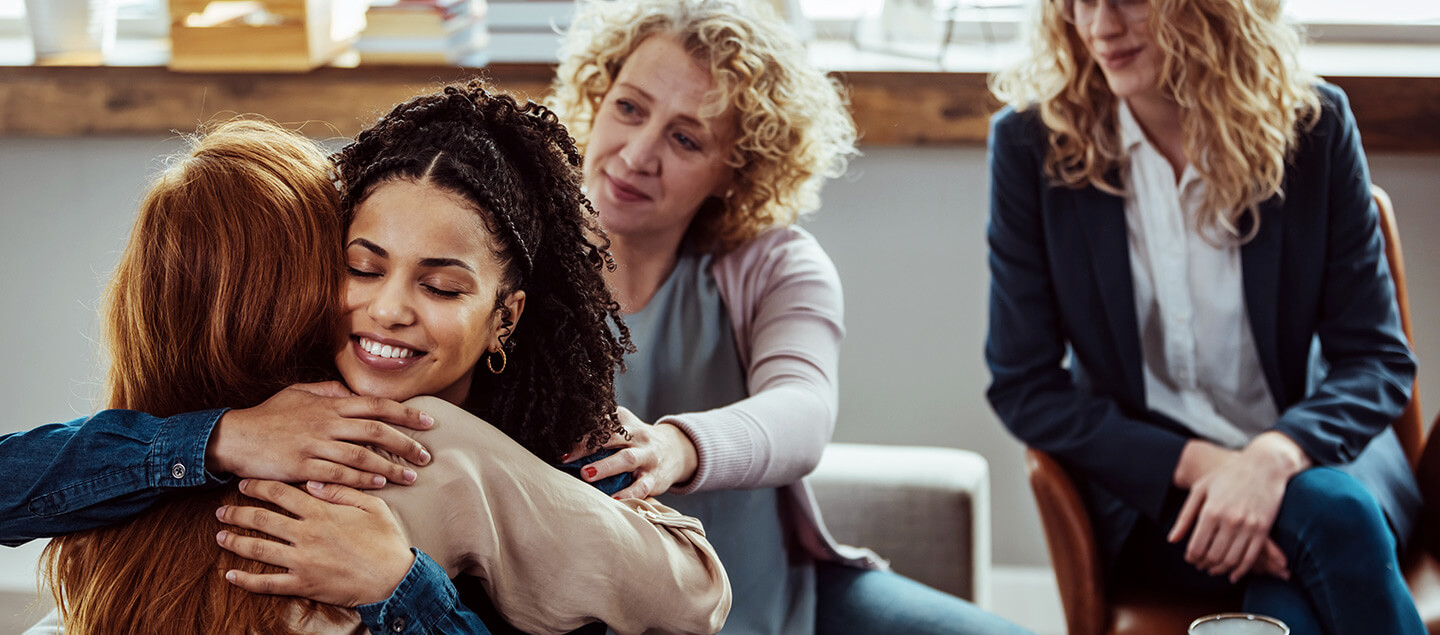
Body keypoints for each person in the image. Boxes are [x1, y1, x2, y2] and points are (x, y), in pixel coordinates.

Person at [33, 89, 727, 635]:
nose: (390, 307)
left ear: (506, 315)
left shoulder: (506, 450)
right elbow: (699, 592)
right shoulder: (388, 445)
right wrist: (223, 437)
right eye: (361, 268)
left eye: (441, 284)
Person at [533, 0, 1030, 632]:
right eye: (629, 107)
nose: (636, 154)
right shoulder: (515, 258)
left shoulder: (776, 266)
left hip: (774, 608)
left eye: (686, 138)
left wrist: (675, 446)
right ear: (597, 99)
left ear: (735, 172)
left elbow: (803, 409)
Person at [985, 0, 1423, 632]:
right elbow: (1025, 385)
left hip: (1323, 458)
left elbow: (1375, 359)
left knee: (1321, 534)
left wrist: (1271, 458)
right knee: (1331, 528)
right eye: (1079, 2)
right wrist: (1210, 467)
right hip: (1161, 497)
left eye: (1129, 0)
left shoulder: (1313, 127)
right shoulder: (1030, 145)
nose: (1101, 27)